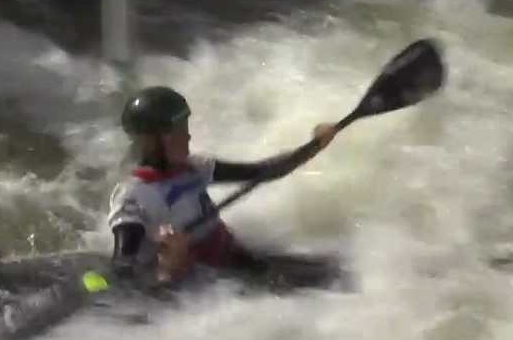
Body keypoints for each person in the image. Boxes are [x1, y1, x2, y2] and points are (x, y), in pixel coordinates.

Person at [107, 86, 339, 290]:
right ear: (150, 142)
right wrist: (164, 265)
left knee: (334, 275)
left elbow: (264, 171)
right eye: (178, 131)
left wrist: (315, 145)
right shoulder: (133, 195)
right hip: (202, 284)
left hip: (233, 261)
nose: (188, 136)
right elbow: (122, 268)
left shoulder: (195, 168)